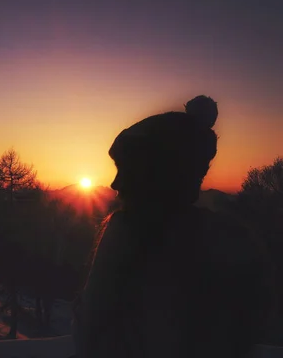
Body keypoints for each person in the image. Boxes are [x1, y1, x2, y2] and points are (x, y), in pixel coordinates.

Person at [72, 95, 277, 358]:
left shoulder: (126, 234)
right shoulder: (233, 239)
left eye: (126, 169)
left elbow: (90, 331)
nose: (115, 183)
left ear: (156, 174)